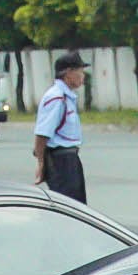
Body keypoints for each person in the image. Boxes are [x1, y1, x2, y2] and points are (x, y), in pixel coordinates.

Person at [34, 51, 88, 204]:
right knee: (68, 205)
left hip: (70, 158)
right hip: (60, 161)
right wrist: (41, 163)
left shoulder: (66, 96)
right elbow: (42, 134)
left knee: (78, 206)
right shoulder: (56, 97)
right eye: (80, 71)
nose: (83, 76)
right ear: (68, 73)